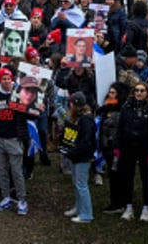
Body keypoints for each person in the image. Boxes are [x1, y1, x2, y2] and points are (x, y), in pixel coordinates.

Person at [112, 81, 148, 222]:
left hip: (144, 147)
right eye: (137, 90)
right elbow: (120, 128)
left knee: (145, 178)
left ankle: (146, 208)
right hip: (128, 147)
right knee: (128, 177)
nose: (139, 93)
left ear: (147, 93)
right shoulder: (126, 107)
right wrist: (117, 145)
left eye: (142, 91)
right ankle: (128, 207)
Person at [0, 67, 30, 216]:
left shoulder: (18, 93)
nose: (6, 81)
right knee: (1, 170)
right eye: (4, 79)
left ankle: (22, 200)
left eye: (9, 78)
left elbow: (28, 112)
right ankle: (6, 197)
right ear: (0, 80)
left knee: (17, 171)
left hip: (14, 138)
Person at [60, 91, 96, 223]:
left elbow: (86, 142)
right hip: (76, 155)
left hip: (82, 157)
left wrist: (72, 153)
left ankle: (86, 214)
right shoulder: (79, 118)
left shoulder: (86, 120)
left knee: (81, 185)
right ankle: (79, 207)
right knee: (76, 183)